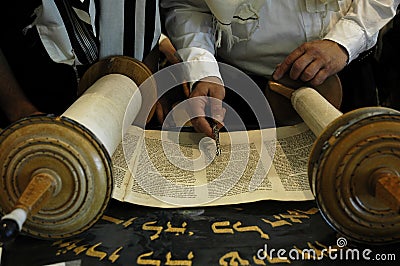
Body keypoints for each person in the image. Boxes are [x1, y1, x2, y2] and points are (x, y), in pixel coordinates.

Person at [161, 0, 400, 136]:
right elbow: (187, 6)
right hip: (240, 91)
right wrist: (203, 69)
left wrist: (346, 40)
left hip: (345, 75)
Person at [0, 0, 177, 128]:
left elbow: (145, 18)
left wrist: (151, 84)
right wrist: (21, 111)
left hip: (128, 96)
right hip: (39, 99)